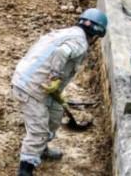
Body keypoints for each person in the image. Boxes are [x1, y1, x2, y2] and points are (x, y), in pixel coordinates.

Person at [10, 9, 108, 176]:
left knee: (55, 115)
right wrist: (55, 77)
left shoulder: (68, 32)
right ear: (97, 34)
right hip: (31, 87)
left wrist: (55, 89)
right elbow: (61, 52)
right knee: (38, 131)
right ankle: (25, 170)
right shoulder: (81, 43)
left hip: (35, 80)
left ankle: (42, 149)